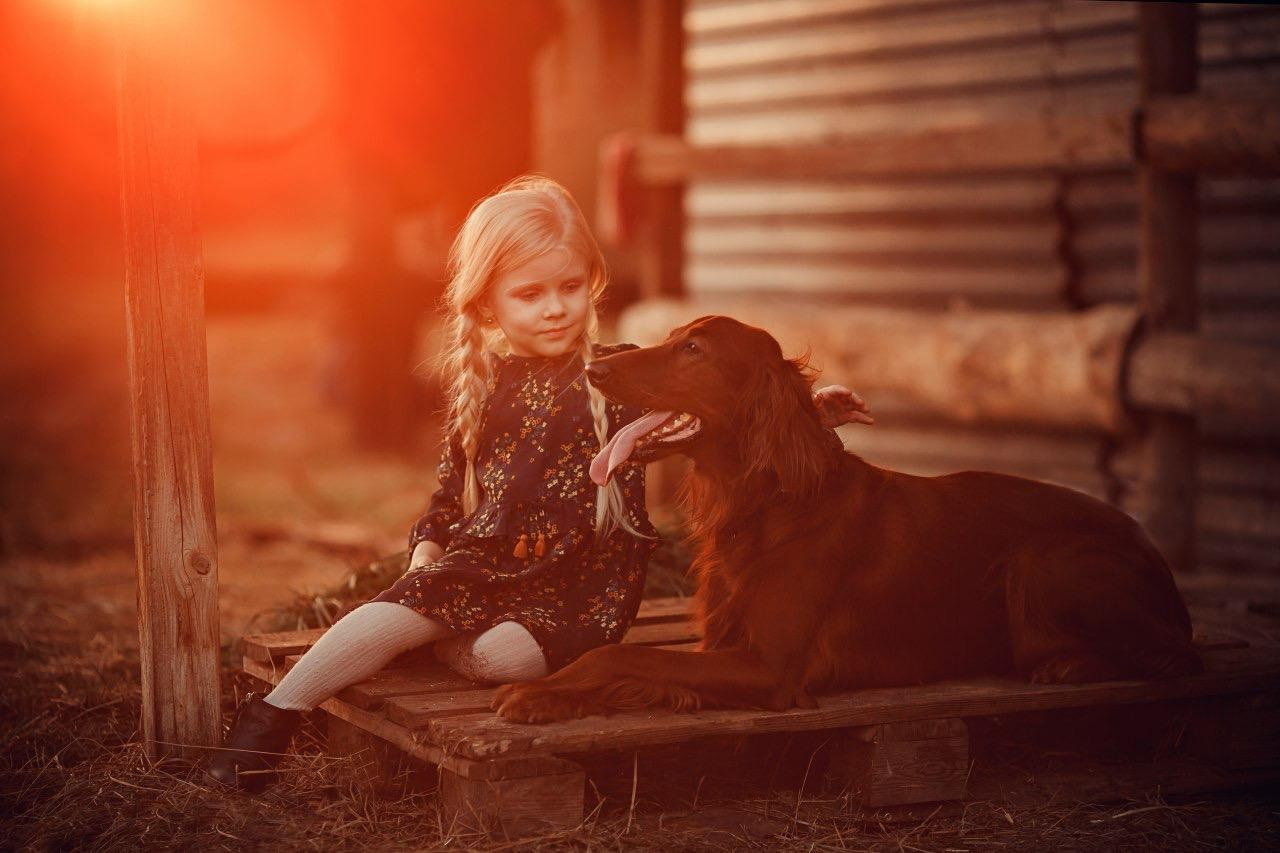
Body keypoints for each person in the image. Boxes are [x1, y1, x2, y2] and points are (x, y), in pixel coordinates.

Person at [206, 176, 873, 793]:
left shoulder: (615, 376)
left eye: (571, 288)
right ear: (488, 302)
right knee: (384, 614)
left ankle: (440, 640)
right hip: (486, 564)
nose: (556, 309)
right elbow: (444, 499)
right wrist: (425, 558)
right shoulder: (482, 385)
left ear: (592, 282)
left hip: (581, 588)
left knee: (501, 655)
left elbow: (725, 406)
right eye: (530, 294)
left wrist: (811, 410)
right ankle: (265, 729)